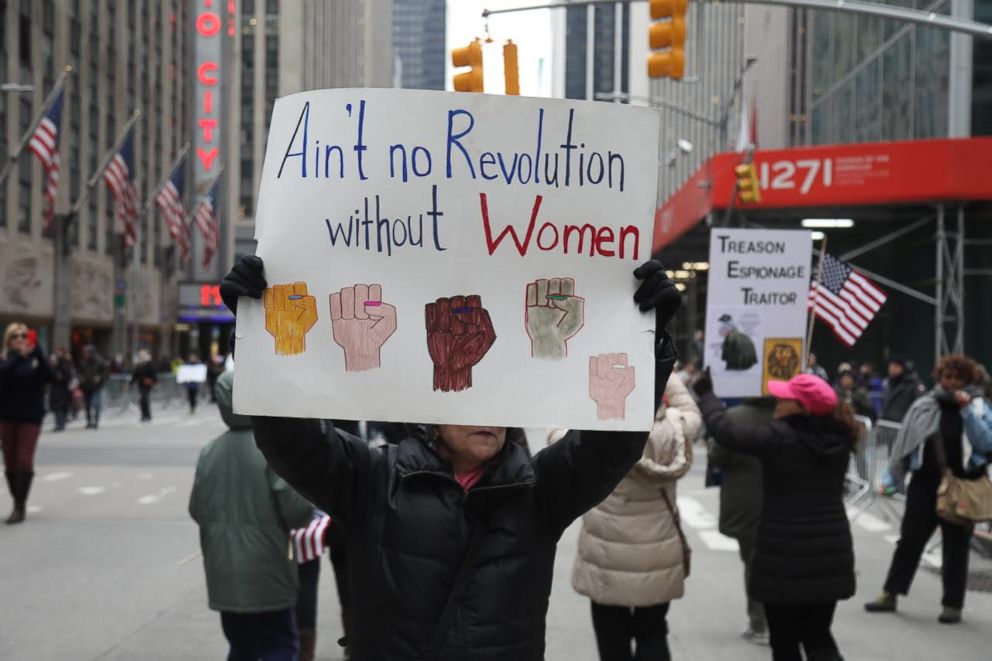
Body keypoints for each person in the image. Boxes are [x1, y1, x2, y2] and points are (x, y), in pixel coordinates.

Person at [219, 254, 681, 660]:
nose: (491, 415)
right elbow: (290, 439)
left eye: (501, 400)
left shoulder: (539, 491)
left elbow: (612, 446)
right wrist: (257, 337)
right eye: (474, 398)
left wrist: (648, 346)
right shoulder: (372, 481)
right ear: (433, 405)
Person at [694, 373, 857, 661]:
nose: (778, 403)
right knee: (819, 636)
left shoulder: (779, 437)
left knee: (784, 641)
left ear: (802, 408)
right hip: (829, 551)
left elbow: (726, 433)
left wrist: (707, 396)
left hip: (783, 553)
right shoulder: (840, 437)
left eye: (785, 399)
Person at [565, 374, 701, 661]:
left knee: (610, 635)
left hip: (606, 544)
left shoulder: (596, 424)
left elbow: (559, 434)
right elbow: (692, 416)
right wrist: (673, 410)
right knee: (653, 631)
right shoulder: (670, 426)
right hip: (657, 544)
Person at [189, 370, 315, 661]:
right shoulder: (272, 450)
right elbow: (297, 512)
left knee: (240, 647)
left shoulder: (210, 452)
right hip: (268, 571)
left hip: (224, 574)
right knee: (279, 646)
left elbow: (197, 509)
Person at [865, 355, 992, 624]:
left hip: (961, 485)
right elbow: (904, 441)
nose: (952, 382)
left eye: (958, 378)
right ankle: (891, 592)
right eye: (947, 377)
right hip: (924, 482)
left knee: (956, 545)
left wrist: (967, 411)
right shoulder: (924, 404)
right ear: (939, 377)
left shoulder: (979, 407)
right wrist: (893, 475)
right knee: (910, 539)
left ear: (968, 380)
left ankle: (952, 605)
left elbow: (985, 442)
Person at [706, 396, 775, 645]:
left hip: (746, 500)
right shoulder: (788, 414)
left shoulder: (734, 417)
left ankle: (759, 623)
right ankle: (780, 620)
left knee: (753, 561)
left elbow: (718, 456)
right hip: (783, 498)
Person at [0, 323, 54, 524]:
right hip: (7, 416)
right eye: (16, 336)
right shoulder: (6, 359)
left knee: (24, 459)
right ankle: (17, 499)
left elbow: (50, 376)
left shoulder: (35, 360)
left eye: (24, 335)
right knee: (10, 461)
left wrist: (38, 352)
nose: (21, 339)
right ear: (9, 340)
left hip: (30, 416)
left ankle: (19, 506)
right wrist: (18, 357)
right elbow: (3, 374)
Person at [879, 356, 924, 423]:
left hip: (904, 426)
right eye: (891, 365)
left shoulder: (913, 384)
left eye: (896, 366)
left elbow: (920, 405)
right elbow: (883, 404)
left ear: (903, 368)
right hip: (886, 425)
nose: (892, 368)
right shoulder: (887, 384)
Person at [78, 345, 108, 429]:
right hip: (86, 386)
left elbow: (106, 373)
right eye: (85, 353)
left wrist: (99, 377)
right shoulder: (83, 362)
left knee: (96, 404)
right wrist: (80, 378)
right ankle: (89, 421)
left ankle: (96, 421)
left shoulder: (99, 361)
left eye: (87, 352)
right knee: (87, 404)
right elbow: (79, 372)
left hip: (96, 387)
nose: (86, 354)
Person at [48, 348, 75, 432]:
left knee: (61, 407)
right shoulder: (54, 365)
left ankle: (61, 424)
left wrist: (61, 377)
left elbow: (68, 375)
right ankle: (59, 424)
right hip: (56, 388)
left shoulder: (64, 363)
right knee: (57, 406)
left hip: (63, 389)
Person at [130, 349, 158, 422]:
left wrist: (152, 381)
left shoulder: (150, 365)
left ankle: (147, 415)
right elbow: (135, 376)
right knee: (142, 400)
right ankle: (144, 415)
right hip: (140, 385)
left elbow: (154, 376)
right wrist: (130, 384)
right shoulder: (139, 365)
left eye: (143, 355)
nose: (142, 356)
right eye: (141, 355)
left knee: (144, 399)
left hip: (147, 385)